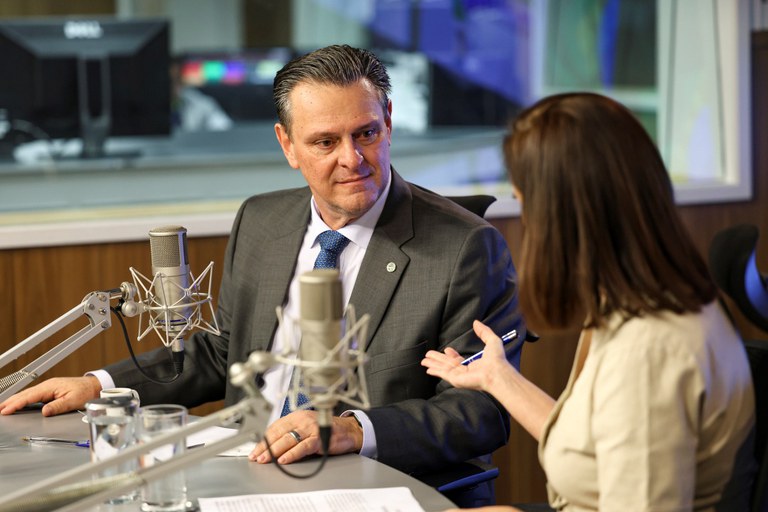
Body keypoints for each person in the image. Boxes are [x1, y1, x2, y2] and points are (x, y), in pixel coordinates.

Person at [0, 45, 524, 504]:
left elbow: (480, 411)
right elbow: (223, 350)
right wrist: (103, 385)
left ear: (388, 120)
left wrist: (349, 430)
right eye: (325, 142)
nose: (352, 159)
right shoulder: (262, 219)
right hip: (247, 468)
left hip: (369, 482)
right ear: (287, 145)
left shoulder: (465, 247)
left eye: (365, 133)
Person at [422, 92, 756, 511]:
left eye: (525, 204)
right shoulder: (636, 303)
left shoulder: (649, 351)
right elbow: (594, 450)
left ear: (561, 218)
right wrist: (496, 377)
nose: (526, 222)